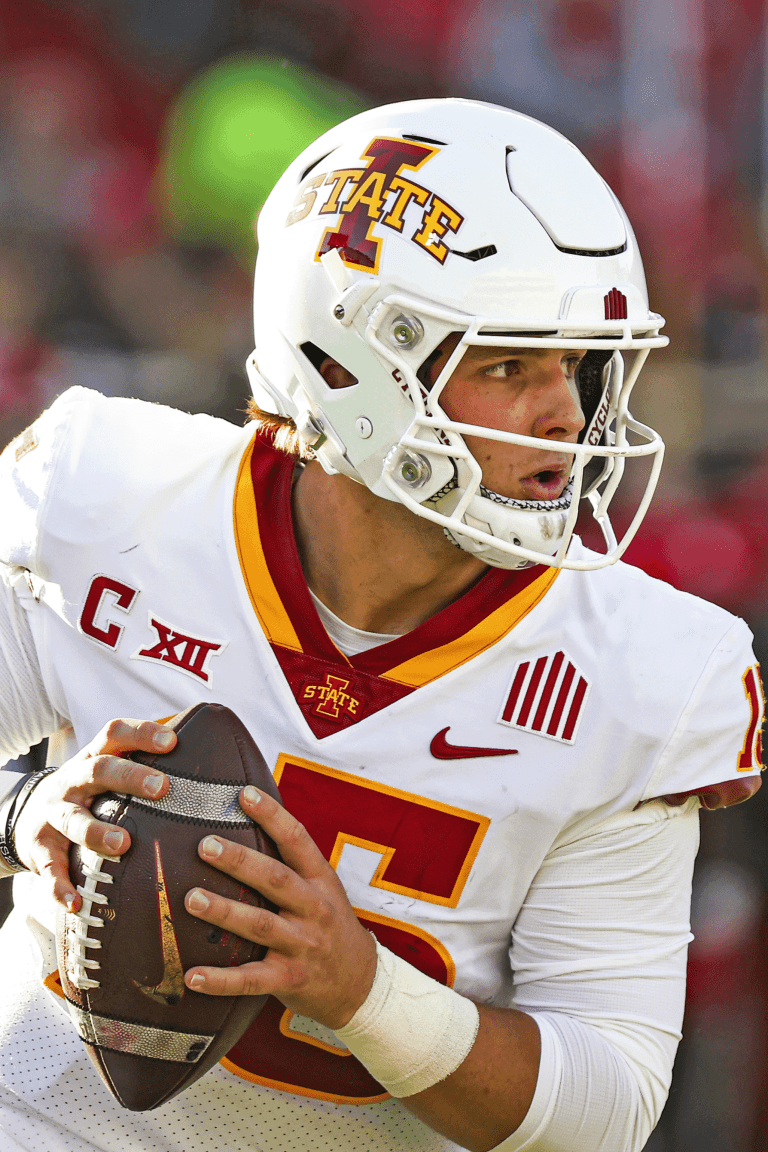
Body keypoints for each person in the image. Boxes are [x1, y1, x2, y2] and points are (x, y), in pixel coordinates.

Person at [0, 98, 763, 1152]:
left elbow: (606, 1108)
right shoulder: (111, 498)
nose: (565, 414)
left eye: (581, 367)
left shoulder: (644, 668)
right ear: (350, 369)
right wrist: (27, 810)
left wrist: (359, 989)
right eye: (510, 365)